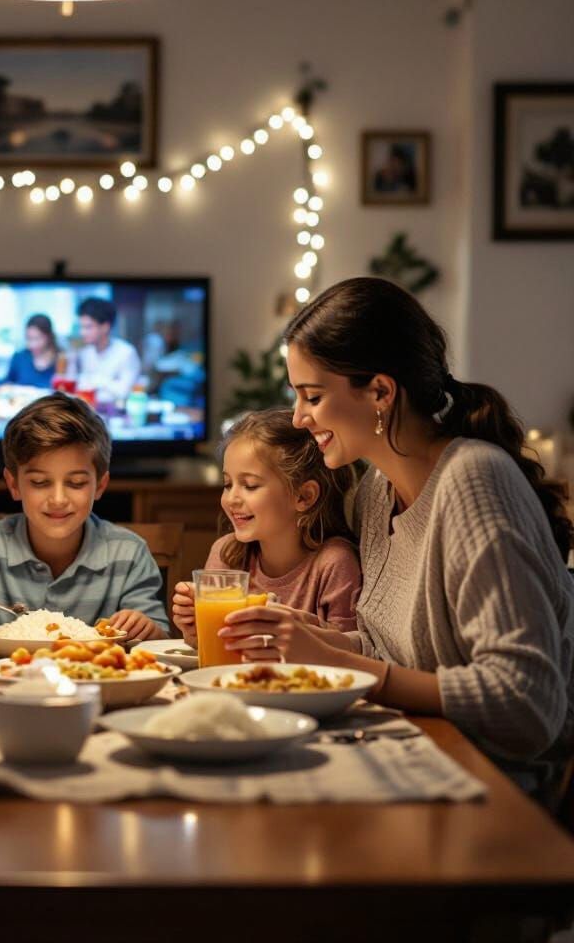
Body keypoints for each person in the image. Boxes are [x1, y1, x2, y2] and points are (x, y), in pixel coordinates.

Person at [222, 277, 574, 800]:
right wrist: (316, 637)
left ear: (381, 393)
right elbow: (394, 653)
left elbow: (525, 703)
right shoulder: (377, 490)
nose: (298, 417)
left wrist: (345, 665)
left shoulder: (473, 480)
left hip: (493, 789)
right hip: (417, 751)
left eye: (313, 396)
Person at [0, 393, 169, 642]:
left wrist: (144, 628)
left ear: (100, 486)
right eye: (39, 482)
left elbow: (160, 639)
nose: (58, 499)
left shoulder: (129, 552)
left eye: (76, 483)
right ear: (14, 484)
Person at [171, 409, 360, 648]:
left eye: (250, 485)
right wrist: (197, 630)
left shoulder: (334, 563)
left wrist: (293, 627)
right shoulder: (227, 553)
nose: (231, 499)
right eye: (227, 484)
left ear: (304, 496)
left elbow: (349, 651)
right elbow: (218, 646)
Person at [74, 297, 141, 403]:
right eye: (81, 327)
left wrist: (98, 381)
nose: (82, 333)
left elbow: (126, 391)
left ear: (105, 327)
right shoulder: (86, 353)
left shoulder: (126, 352)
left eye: (88, 327)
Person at [3, 314, 58, 389]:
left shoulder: (61, 360)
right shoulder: (20, 358)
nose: (32, 344)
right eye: (29, 338)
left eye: (37, 338)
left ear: (49, 337)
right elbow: (7, 382)